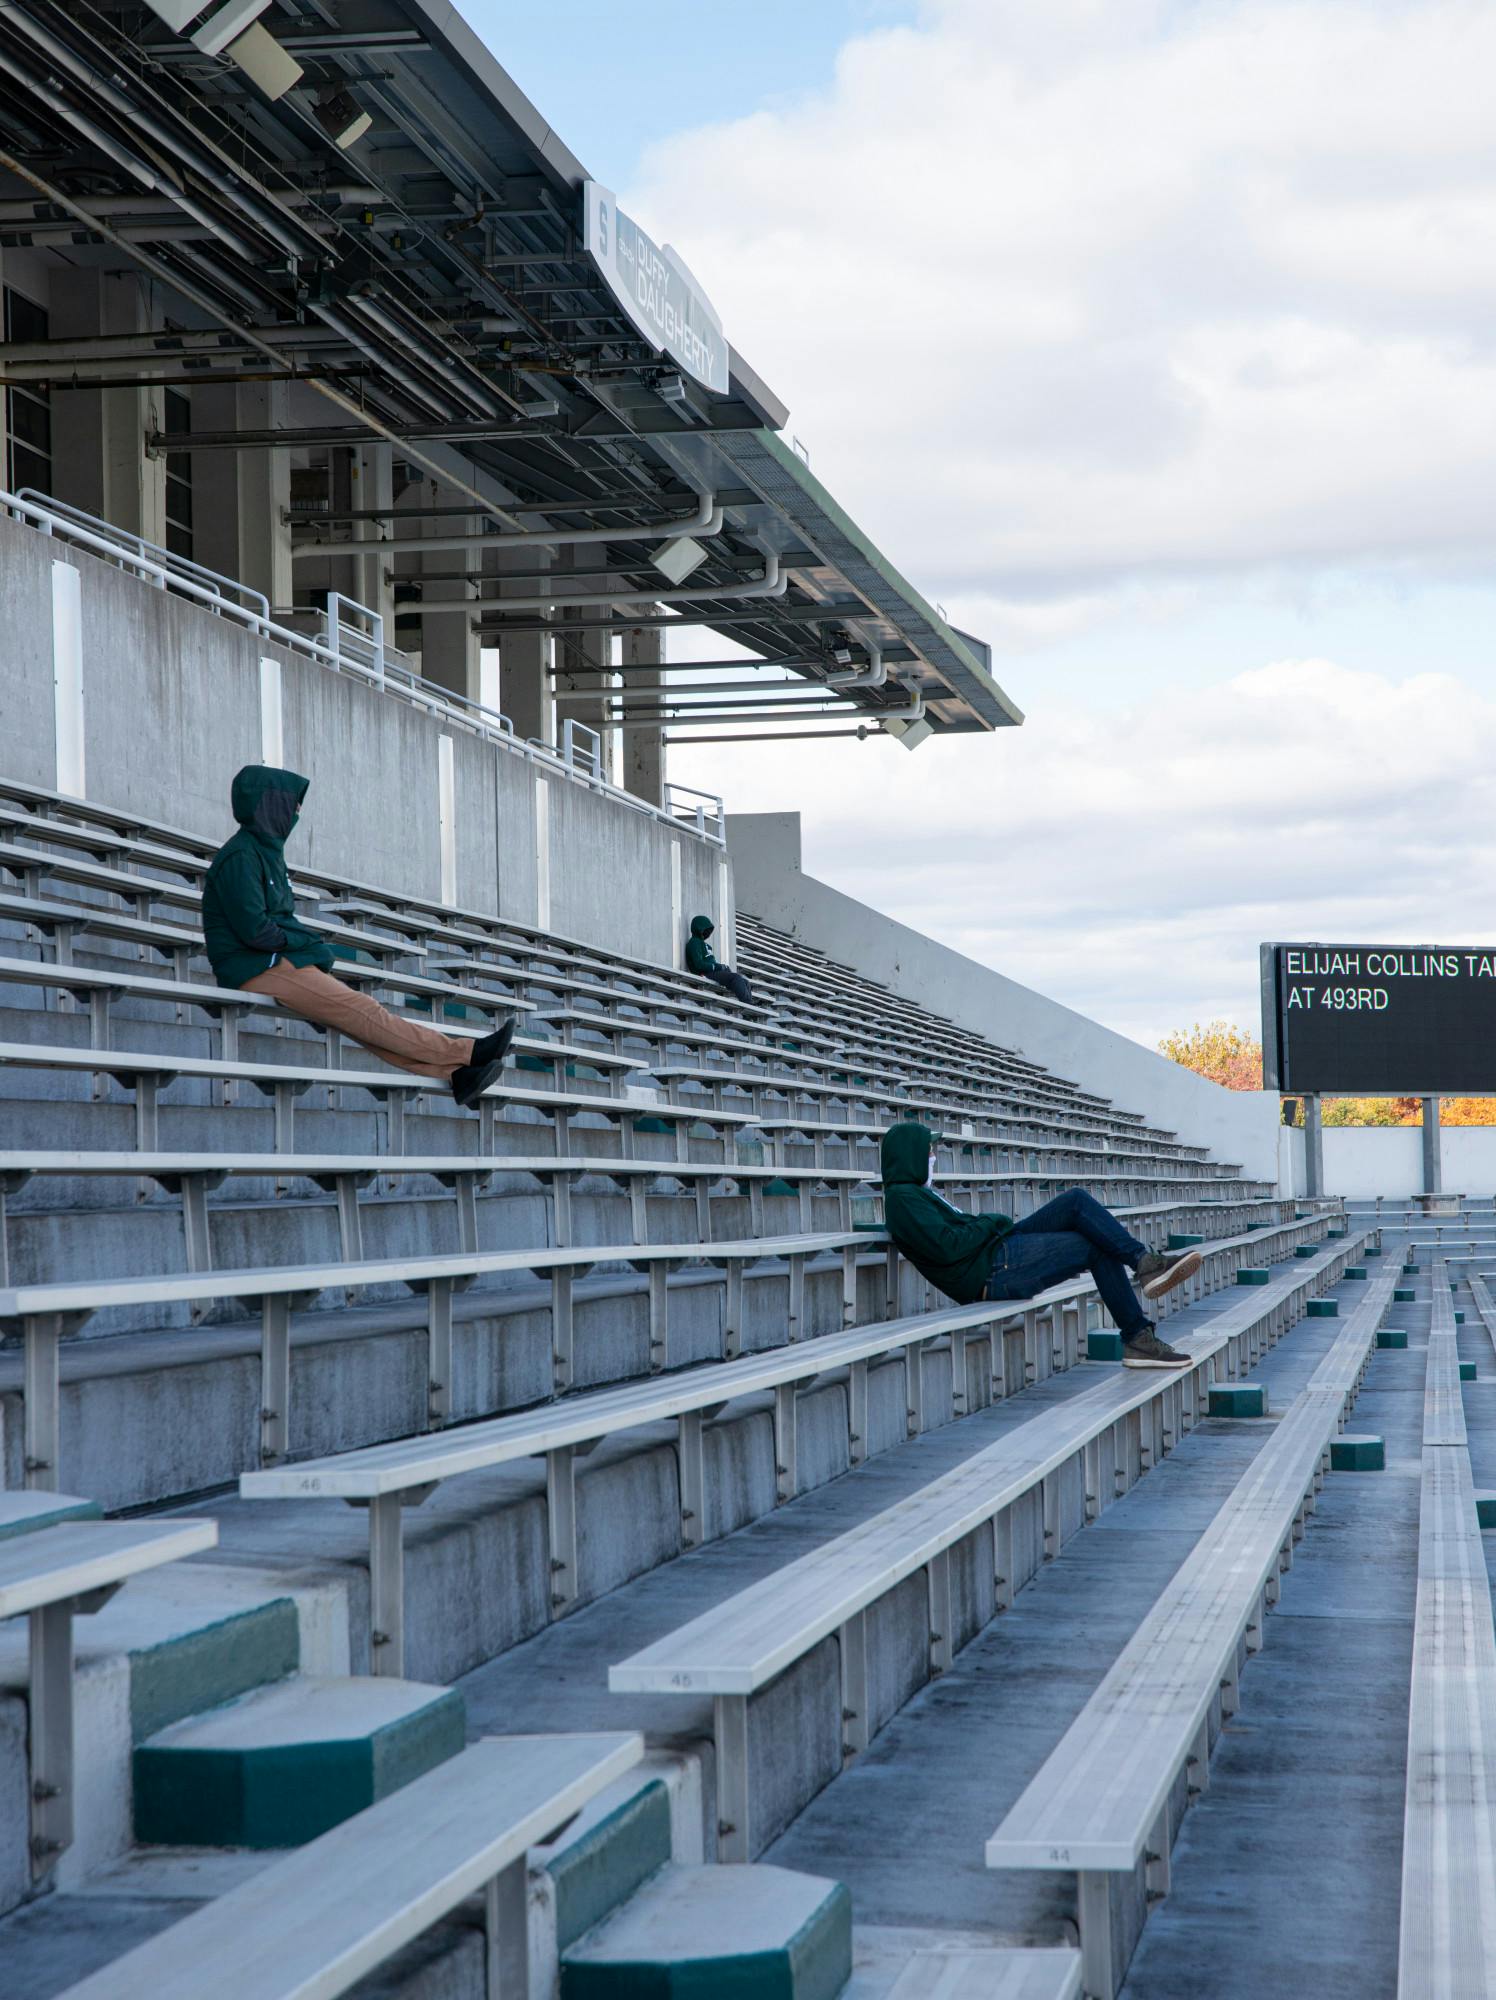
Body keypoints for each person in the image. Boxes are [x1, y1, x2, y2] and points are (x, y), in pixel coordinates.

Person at [201, 764, 515, 1108]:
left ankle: (456, 1075)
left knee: (361, 1022)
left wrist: (305, 944)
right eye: (292, 803)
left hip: (272, 962)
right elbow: (256, 931)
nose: (297, 812)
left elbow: (277, 922)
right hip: (256, 968)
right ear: (270, 806)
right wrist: (307, 944)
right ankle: (468, 1052)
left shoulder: (266, 853)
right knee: (366, 1012)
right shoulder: (241, 856)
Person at [879, 1121, 1202, 1368]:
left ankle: (1145, 1265)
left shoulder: (917, 1194)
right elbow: (947, 1246)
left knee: (1075, 1201)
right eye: (929, 1152)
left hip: (998, 1252)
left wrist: (989, 1226)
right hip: (993, 1271)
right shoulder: (903, 1200)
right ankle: (1138, 1330)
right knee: (1094, 1245)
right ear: (910, 1156)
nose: (934, 1157)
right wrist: (990, 1221)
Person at [685, 913, 754, 1004]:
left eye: (709, 930)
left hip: (713, 972)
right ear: (699, 929)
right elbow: (698, 964)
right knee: (736, 978)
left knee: (745, 982)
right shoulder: (694, 943)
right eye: (705, 929)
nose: (707, 932)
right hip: (704, 974)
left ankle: (749, 1008)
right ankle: (748, 1004)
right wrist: (717, 967)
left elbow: (711, 962)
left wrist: (722, 968)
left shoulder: (705, 945)